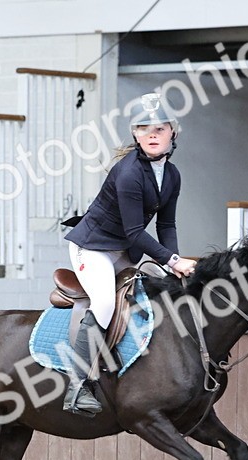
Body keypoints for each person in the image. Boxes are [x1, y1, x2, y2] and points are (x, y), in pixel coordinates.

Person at [61, 93, 198, 416]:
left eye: (160, 128)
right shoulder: (129, 174)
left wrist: (171, 267)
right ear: (135, 134)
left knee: (159, 288)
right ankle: (77, 385)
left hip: (122, 249)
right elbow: (137, 231)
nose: (152, 134)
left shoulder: (172, 175)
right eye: (144, 128)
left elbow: (167, 224)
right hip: (92, 247)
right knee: (106, 302)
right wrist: (174, 261)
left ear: (172, 133)